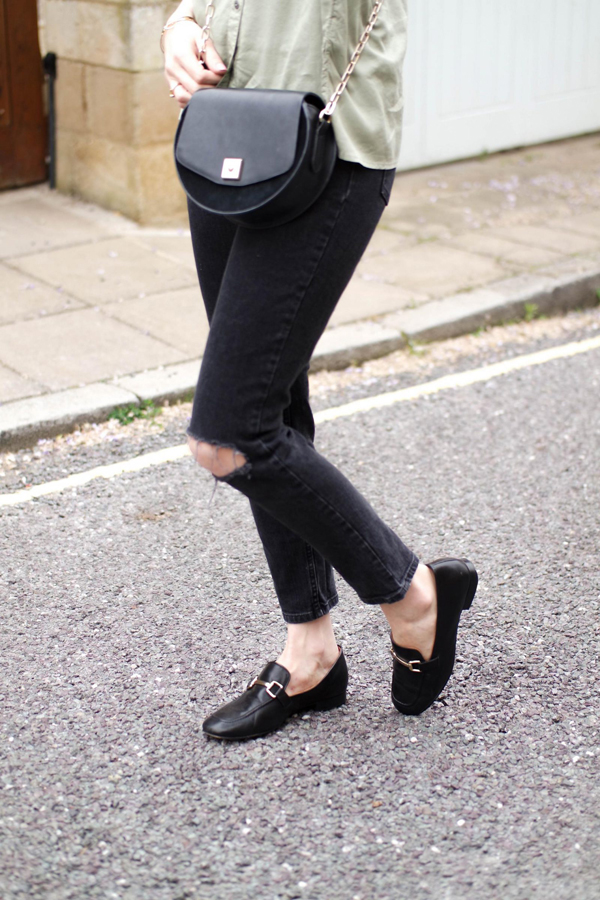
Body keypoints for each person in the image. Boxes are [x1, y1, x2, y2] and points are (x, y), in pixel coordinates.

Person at [161, 0, 478, 741]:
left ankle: (413, 594)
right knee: (270, 407)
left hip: (327, 141)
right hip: (223, 126)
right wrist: (181, 22)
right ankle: (311, 648)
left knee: (230, 434)